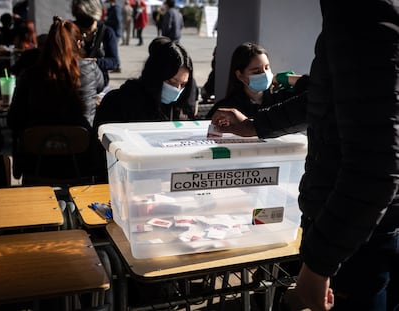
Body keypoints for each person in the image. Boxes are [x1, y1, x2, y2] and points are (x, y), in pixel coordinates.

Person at [211, 1, 399, 310]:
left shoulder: (362, 13)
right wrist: (256, 125)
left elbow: (375, 171)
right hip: (359, 228)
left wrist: (317, 266)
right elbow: (329, 96)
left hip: (358, 235)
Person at [7, 16, 105, 182]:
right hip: (81, 160)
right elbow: (101, 86)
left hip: (37, 163)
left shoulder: (30, 74)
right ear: (78, 44)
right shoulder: (90, 69)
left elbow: (13, 120)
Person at [206, 42, 309, 135]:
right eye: (256, 71)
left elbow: (319, 90)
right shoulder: (227, 107)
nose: (264, 74)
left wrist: (287, 79)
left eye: (267, 68)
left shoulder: (283, 98)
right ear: (240, 75)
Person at [94, 40, 195, 129]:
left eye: (183, 84)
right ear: (154, 75)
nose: (177, 89)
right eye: (171, 82)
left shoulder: (181, 108)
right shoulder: (120, 102)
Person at [72, 0, 119, 86]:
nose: (82, 23)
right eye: (80, 16)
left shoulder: (107, 32)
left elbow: (114, 62)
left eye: (85, 16)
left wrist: (93, 62)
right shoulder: (71, 29)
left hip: (97, 81)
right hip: (73, 80)